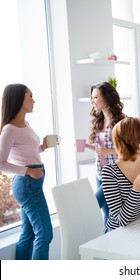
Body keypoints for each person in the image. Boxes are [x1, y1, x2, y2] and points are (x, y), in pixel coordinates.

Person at [0, 83, 53, 259]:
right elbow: (1, 163)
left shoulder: (25, 124)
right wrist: (28, 171)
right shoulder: (9, 129)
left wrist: (42, 147)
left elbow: (27, 153)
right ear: (18, 99)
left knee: (28, 234)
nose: (34, 100)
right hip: (27, 184)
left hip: (32, 182)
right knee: (45, 234)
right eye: (30, 95)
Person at [81, 82, 126, 225]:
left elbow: (128, 149)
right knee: (107, 213)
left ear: (106, 98)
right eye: (92, 98)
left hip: (114, 174)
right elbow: (101, 149)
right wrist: (87, 146)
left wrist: (107, 151)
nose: (92, 101)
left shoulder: (122, 121)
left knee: (94, 204)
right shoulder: (99, 121)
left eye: (95, 97)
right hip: (100, 173)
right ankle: (108, 244)